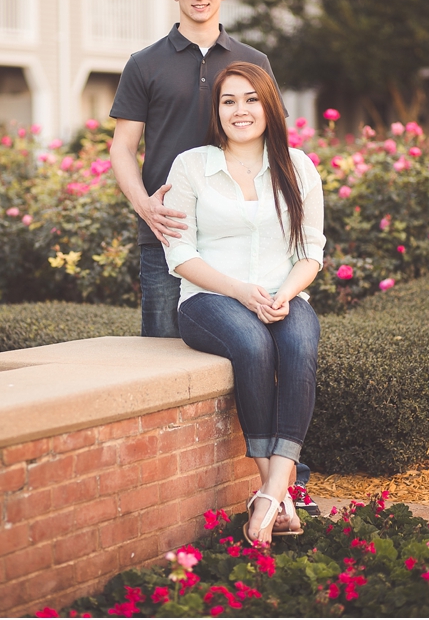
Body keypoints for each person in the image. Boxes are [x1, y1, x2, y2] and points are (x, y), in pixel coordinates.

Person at [161, 61, 325, 544]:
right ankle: (281, 493)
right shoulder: (191, 166)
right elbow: (181, 253)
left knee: (298, 348)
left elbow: (311, 252)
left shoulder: (299, 168)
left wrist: (285, 294)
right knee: (253, 346)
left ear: (270, 107)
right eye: (229, 100)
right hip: (209, 299)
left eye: (251, 99)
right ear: (216, 111)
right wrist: (241, 292)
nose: (241, 110)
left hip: (284, 293)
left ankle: (270, 495)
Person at [110, 0, 282, 339]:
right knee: (164, 352)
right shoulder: (144, 63)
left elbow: (274, 140)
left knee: (247, 345)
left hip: (238, 230)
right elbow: (122, 147)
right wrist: (146, 208)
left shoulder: (253, 62)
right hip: (169, 232)